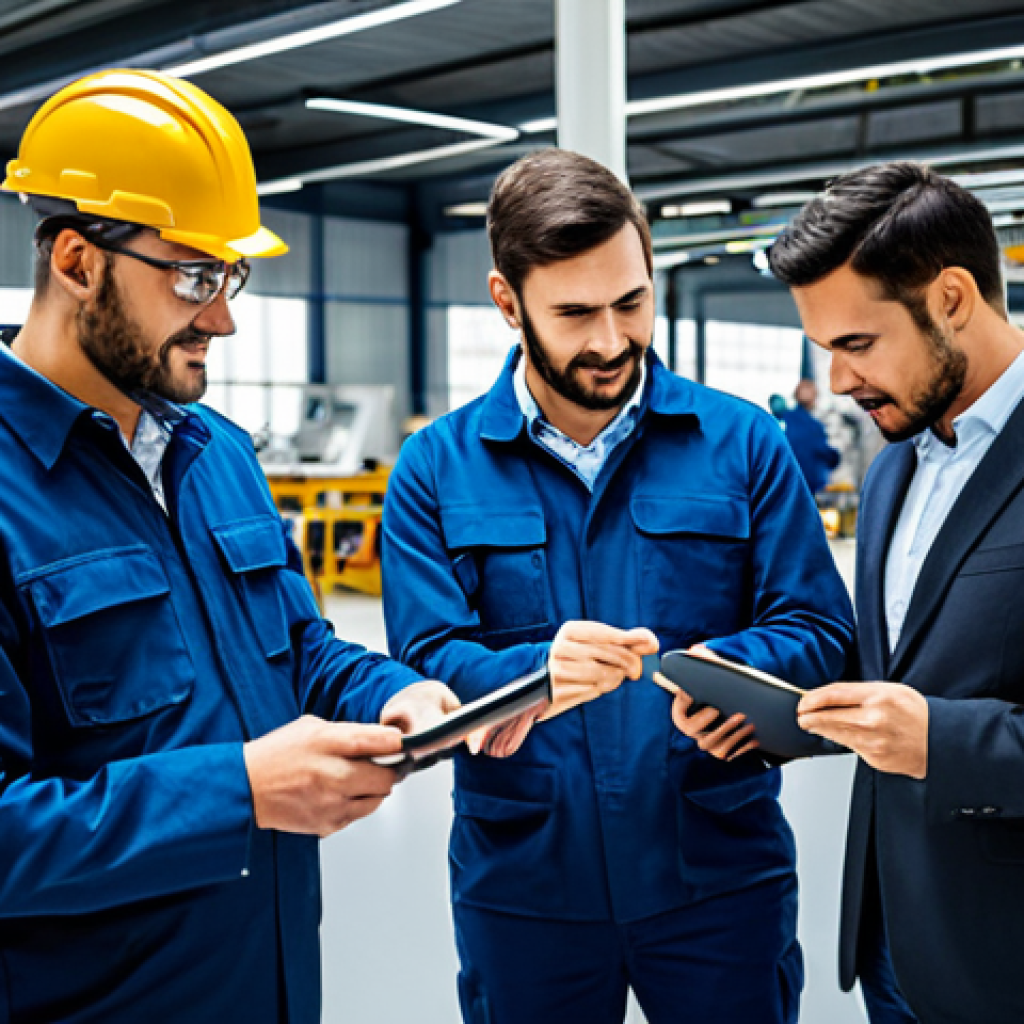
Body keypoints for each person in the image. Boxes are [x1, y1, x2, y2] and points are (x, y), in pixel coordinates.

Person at [0, 69, 459, 1024]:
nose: (222, 317)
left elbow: (299, 648)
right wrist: (239, 790)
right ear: (78, 262)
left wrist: (394, 693)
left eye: (230, 277)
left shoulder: (218, 454)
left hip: (270, 984)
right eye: (193, 277)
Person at [380, 149, 854, 1024]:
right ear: (507, 302)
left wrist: (732, 674)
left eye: (631, 303)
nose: (610, 341)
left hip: (719, 876)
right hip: (527, 888)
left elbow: (821, 629)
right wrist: (537, 674)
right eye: (574, 313)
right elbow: (423, 662)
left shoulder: (743, 443)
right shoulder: (434, 468)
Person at [690, 161, 1024, 1024]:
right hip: (895, 943)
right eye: (825, 351)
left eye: (857, 345)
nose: (838, 381)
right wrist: (774, 711)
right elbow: (903, 666)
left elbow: (931, 723)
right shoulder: (893, 469)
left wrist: (943, 741)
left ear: (951, 299)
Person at [775, 377, 841, 494]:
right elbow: (821, 450)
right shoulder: (815, 426)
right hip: (810, 482)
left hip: (786, 481)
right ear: (815, 398)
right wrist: (835, 457)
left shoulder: (784, 419)